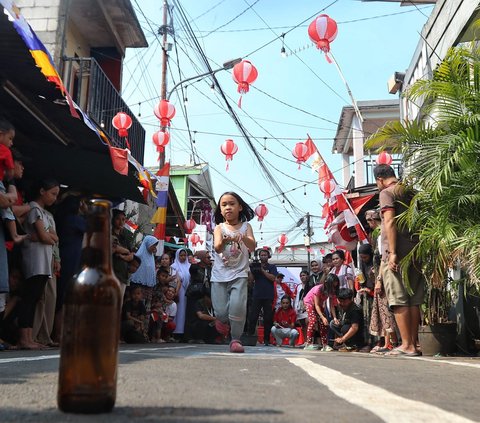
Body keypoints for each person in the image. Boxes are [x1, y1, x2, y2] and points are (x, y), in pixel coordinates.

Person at [374, 164, 424, 357]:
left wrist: (393, 252)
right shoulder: (411, 191)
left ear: (380, 179)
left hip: (397, 253)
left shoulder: (387, 193)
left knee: (399, 300)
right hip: (415, 251)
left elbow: (389, 221)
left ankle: (407, 345)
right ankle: (413, 344)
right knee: (414, 300)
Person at [17, 178, 60, 349]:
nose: (54, 198)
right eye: (53, 194)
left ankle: (28, 337)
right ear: (42, 191)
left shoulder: (45, 213)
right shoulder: (34, 208)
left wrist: (48, 236)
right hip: (34, 260)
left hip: (44, 262)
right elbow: (44, 236)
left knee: (34, 299)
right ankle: (24, 338)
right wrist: (48, 236)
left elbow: (55, 237)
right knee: (28, 299)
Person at [211, 192, 256, 353]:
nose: (228, 207)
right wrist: (225, 239)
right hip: (219, 275)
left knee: (238, 307)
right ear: (220, 211)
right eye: (224, 205)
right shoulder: (219, 228)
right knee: (221, 313)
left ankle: (236, 339)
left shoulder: (246, 227)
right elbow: (217, 247)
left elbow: (252, 246)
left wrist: (242, 237)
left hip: (240, 274)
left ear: (240, 207)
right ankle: (223, 321)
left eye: (232, 204)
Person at [0, 119, 26, 245]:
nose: (11, 143)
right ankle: (15, 235)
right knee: (7, 211)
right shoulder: (5, 151)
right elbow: (10, 171)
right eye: (10, 138)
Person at [247, 247, 277, 347]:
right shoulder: (255, 266)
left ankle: (266, 340)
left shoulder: (272, 267)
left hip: (268, 295)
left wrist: (262, 271)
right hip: (257, 295)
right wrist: (251, 270)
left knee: (268, 318)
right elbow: (250, 281)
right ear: (259, 256)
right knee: (253, 317)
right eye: (261, 255)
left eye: (265, 255)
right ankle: (250, 336)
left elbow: (273, 278)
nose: (263, 256)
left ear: (268, 256)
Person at [303, 273, 339, 351]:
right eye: (332, 285)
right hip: (309, 303)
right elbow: (316, 305)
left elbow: (332, 305)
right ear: (327, 283)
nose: (334, 288)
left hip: (318, 305)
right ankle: (308, 344)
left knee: (324, 324)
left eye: (335, 286)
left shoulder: (331, 291)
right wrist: (322, 317)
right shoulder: (318, 289)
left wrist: (335, 317)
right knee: (313, 321)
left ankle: (325, 345)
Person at [185, 250, 212, 342]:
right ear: (202, 258)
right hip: (194, 294)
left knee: (202, 316)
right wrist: (195, 261)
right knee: (192, 316)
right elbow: (192, 270)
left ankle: (200, 337)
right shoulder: (195, 267)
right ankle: (190, 337)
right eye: (207, 257)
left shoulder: (209, 269)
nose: (210, 259)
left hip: (204, 295)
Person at [129, 235, 158, 312]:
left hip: (148, 288)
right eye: (153, 245)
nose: (154, 247)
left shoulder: (151, 257)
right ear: (148, 244)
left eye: (155, 245)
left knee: (144, 310)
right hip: (138, 287)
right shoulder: (139, 255)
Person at [331, 288, 365, 352]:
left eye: (344, 301)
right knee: (333, 323)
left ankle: (353, 345)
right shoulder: (343, 307)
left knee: (345, 327)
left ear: (350, 300)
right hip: (347, 331)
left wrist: (343, 339)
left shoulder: (355, 310)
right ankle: (346, 344)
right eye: (340, 301)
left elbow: (354, 328)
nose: (342, 303)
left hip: (357, 336)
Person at [111, 209, 135, 301]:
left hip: (123, 275)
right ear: (113, 219)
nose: (121, 222)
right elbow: (114, 247)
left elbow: (132, 254)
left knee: (118, 305)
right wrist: (126, 251)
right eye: (118, 219)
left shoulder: (125, 237)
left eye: (123, 219)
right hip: (112, 273)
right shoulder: (109, 233)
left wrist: (123, 256)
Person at [171, 248, 190, 339]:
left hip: (187, 292)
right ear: (177, 256)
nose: (183, 257)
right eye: (181, 255)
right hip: (179, 290)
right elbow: (174, 279)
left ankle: (184, 332)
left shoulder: (189, 266)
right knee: (178, 310)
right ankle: (176, 331)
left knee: (185, 311)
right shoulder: (174, 266)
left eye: (184, 255)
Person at [293, 270, 309, 344]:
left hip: (308, 308)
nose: (302, 277)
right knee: (303, 326)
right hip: (299, 308)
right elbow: (295, 298)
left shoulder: (310, 285)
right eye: (301, 276)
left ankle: (310, 341)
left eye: (304, 275)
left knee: (308, 324)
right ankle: (305, 341)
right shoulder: (298, 286)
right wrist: (295, 309)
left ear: (307, 276)